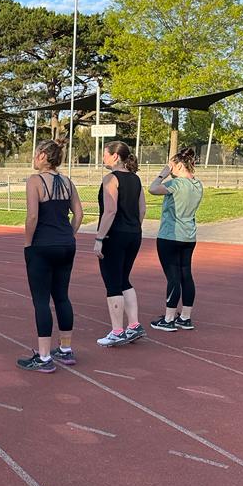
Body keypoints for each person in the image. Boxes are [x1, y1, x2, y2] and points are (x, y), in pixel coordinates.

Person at [17, 139, 84, 372]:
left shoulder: (35, 181)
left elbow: (32, 217)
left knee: (41, 300)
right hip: (66, 244)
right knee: (62, 297)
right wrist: (69, 234)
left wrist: (28, 243)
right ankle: (65, 350)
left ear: (44, 155)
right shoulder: (68, 181)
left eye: (36, 154)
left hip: (42, 246)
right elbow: (79, 214)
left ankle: (44, 357)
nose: (33, 158)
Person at [94, 140, 146, 346]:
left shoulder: (111, 179)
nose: (103, 157)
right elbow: (142, 209)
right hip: (134, 234)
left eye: (105, 154)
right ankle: (133, 325)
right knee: (124, 279)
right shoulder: (136, 179)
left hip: (114, 236)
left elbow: (110, 210)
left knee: (112, 282)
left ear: (115, 156)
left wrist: (99, 238)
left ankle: (117, 331)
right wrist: (133, 227)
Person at [147, 147, 203, 331]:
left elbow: (152, 189)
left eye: (172, 165)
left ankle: (169, 318)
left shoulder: (176, 184)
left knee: (173, 277)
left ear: (178, 165)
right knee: (186, 275)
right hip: (188, 236)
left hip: (170, 235)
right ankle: (185, 317)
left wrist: (163, 173)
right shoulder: (197, 184)